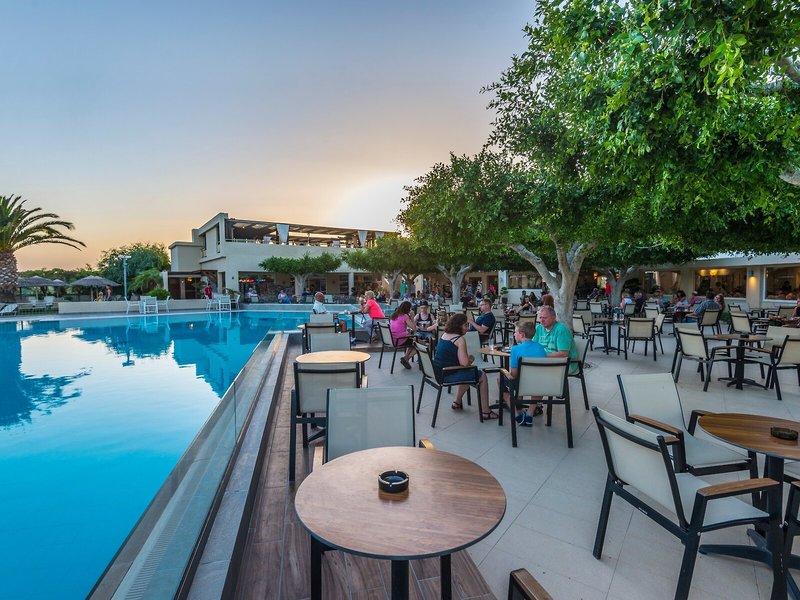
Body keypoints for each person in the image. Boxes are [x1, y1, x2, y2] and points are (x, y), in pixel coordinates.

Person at [433, 314, 494, 419]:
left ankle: (457, 402)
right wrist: (471, 359)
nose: (467, 327)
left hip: (438, 372)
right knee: (481, 375)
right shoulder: (459, 339)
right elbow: (464, 364)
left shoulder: (444, 335)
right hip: (447, 375)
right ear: (458, 326)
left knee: (469, 373)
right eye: (465, 325)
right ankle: (485, 411)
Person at [499, 320, 548, 426]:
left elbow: (514, 375)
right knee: (539, 383)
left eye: (515, 332)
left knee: (500, 380)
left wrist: (506, 373)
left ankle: (516, 414)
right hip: (539, 384)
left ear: (521, 334)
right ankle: (530, 413)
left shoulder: (516, 349)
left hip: (521, 384)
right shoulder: (541, 348)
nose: (514, 334)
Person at [533, 305, 578, 370]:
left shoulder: (561, 329)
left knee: (532, 370)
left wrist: (542, 355)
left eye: (545, 318)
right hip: (545, 361)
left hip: (564, 364)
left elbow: (563, 354)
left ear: (553, 318)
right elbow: (533, 346)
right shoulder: (539, 328)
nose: (541, 320)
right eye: (540, 317)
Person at [389, 301, 416, 369]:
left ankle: (406, 358)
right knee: (418, 344)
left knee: (412, 341)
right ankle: (406, 358)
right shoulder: (404, 316)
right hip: (399, 340)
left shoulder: (394, 314)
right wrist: (412, 317)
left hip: (392, 339)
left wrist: (406, 331)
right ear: (408, 309)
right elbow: (414, 328)